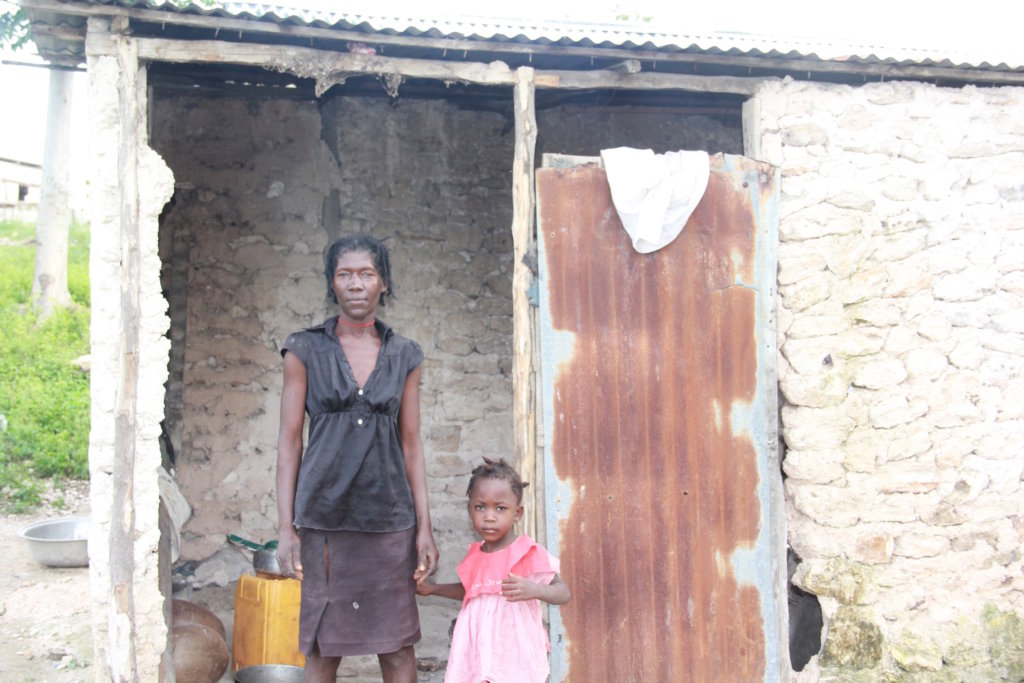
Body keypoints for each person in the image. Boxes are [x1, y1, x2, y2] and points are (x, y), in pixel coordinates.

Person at [276, 234, 438, 683]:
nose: (356, 284)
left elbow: (411, 443)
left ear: (383, 283)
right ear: (332, 283)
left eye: (366, 274)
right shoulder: (303, 349)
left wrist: (424, 526)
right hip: (325, 521)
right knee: (324, 649)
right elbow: (289, 442)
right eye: (345, 274)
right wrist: (284, 528)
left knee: (397, 648)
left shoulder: (405, 354)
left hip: (389, 521)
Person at [417, 458, 570, 683]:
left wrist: (535, 589)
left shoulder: (526, 552)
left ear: (517, 513)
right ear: (470, 511)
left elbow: (563, 591)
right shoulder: (475, 554)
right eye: (480, 507)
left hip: (513, 654)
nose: (489, 516)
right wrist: (432, 589)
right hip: (477, 651)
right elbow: (472, 591)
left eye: (500, 508)